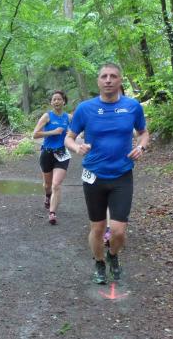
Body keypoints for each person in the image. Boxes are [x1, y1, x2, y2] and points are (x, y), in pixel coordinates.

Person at [64, 63, 149, 284]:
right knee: (98, 228)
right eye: (104, 76)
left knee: (118, 231)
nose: (108, 80)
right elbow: (69, 138)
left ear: (120, 80)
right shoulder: (85, 108)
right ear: (98, 81)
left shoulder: (132, 107)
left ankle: (113, 256)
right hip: (94, 176)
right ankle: (99, 262)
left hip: (122, 175)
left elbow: (143, 133)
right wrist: (77, 147)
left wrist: (141, 147)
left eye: (113, 76)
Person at [32, 90, 72, 225]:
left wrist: (72, 133)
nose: (56, 101)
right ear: (51, 102)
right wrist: (53, 132)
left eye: (59, 99)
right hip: (47, 153)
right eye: (54, 99)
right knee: (47, 185)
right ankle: (48, 196)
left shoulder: (69, 117)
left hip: (62, 154)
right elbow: (35, 134)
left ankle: (52, 213)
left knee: (56, 184)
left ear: (64, 102)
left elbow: (78, 132)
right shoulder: (47, 116)